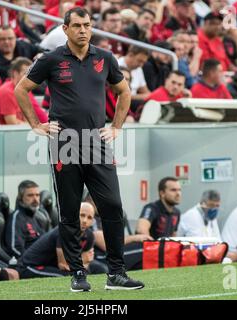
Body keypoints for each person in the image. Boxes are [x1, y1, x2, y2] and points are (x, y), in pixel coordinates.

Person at [14, 7, 144, 292]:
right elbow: (21, 89)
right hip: (65, 143)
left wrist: (117, 127)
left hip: (97, 144)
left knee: (113, 206)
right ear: (65, 29)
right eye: (77, 25)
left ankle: (116, 274)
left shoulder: (105, 58)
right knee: (70, 212)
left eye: (87, 25)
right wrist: (36, 124)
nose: (83, 30)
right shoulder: (51, 60)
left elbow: (124, 92)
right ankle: (77, 274)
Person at [18, 202, 96, 279]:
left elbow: (85, 265)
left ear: (92, 221)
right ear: (74, 215)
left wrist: (84, 262)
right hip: (30, 266)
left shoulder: (89, 236)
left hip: (50, 266)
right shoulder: (64, 231)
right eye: (82, 215)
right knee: (65, 276)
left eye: (89, 218)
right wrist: (83, 260)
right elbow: (63, 265)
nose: (85, 220)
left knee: (84, 274)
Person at [0, 57, 47, 125]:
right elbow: (12, 124)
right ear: (15, 73)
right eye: (26, 73)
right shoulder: (7, 92)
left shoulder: (24, 90)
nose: (30, 77)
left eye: (31, 74)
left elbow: (27, 118)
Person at [6, 180, 46, 259]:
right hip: (29, 264)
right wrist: (34, 260)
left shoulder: (38, 218)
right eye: (30, 195)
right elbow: (15, 248)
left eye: (37, 195)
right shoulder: (16, 217)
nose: (35, 199)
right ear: (21, 198)